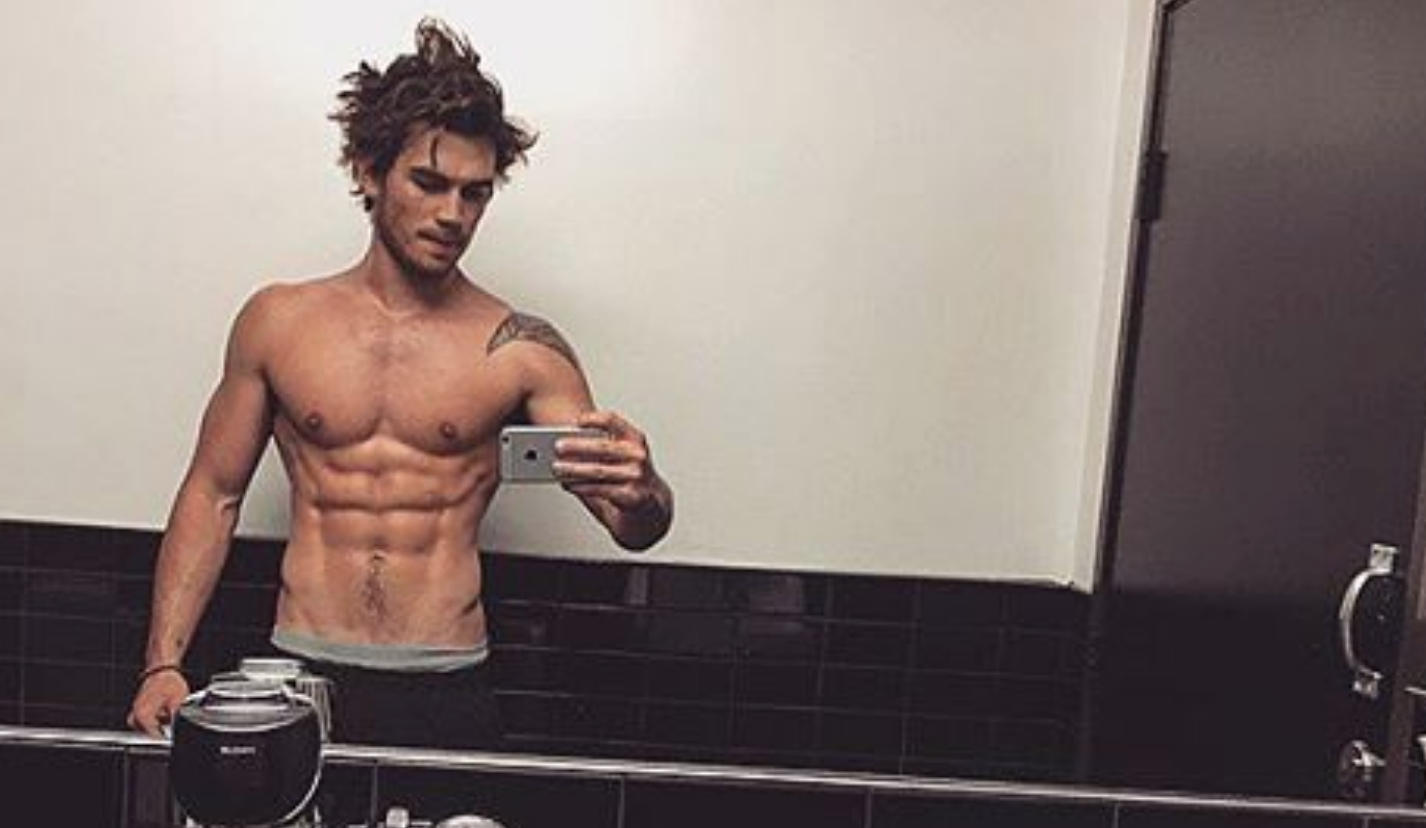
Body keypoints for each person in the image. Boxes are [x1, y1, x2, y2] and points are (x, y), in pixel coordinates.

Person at [126, 19, 673, 749]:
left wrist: (645, 491)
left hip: (448, 681)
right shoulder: (278, 322)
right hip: (299, 673)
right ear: (367, 171)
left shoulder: (521, 349)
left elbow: (630, 526)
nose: (453, 215)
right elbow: (213, 493)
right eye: (429, 182)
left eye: (475, 194)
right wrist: (162, 663)